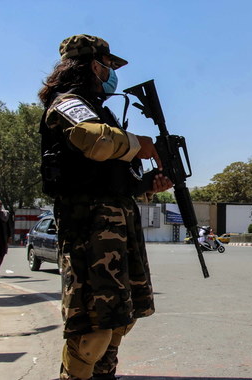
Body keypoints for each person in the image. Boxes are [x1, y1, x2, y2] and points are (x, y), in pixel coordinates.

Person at [38, 34, 172, 380]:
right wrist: (137, 143)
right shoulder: (66, 103)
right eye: (108, 66)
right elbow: (93, 140)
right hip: (87, 230)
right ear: (91, 66)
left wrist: (147, 185)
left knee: (116, 324)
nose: (111, 74)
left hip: (116, 228)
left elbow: (113, 176)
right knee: (91, 333)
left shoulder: (104, 111)